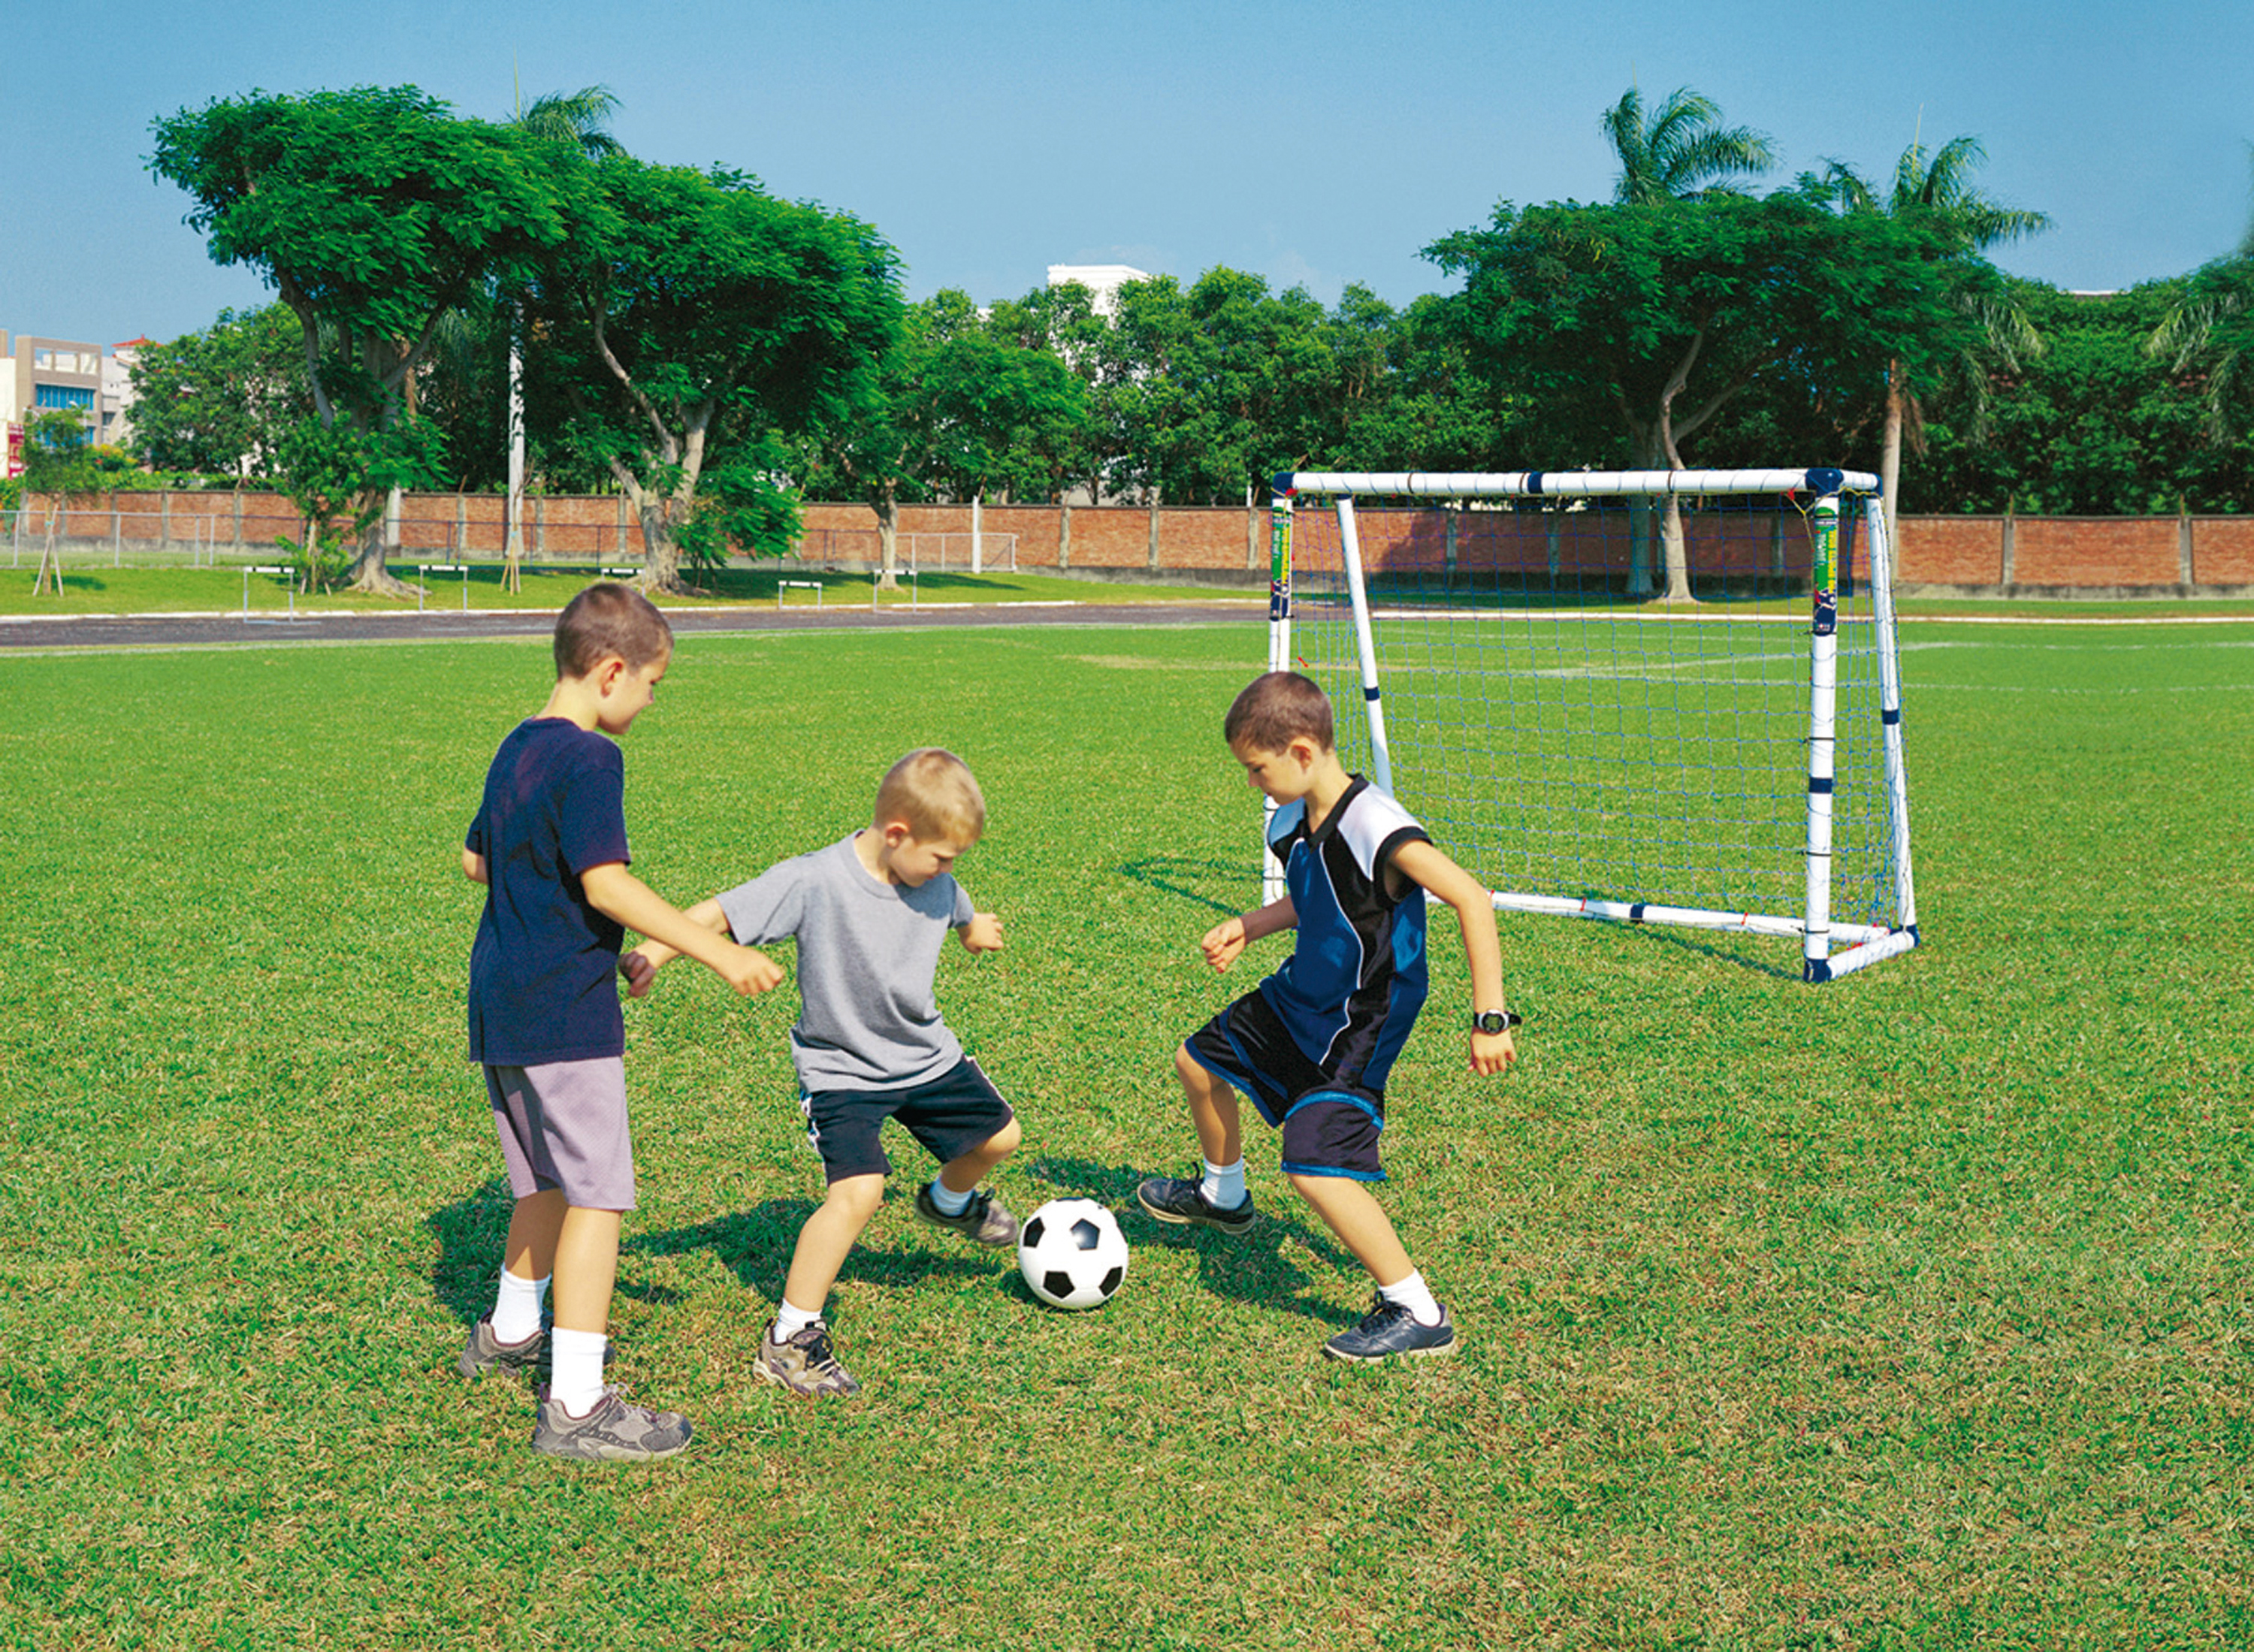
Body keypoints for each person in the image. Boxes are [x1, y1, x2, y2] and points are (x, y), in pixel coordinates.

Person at [457, 582, 782, 1462]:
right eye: (652, 684)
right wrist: (718, 952)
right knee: (597, 1194)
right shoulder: (592, 760)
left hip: (501, 996)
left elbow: (474, 859)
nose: (650, 700)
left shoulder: (516, 743)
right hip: (566, 1008)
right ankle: (576, 1404)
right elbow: (606, 883)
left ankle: (512, 1328)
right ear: (610, 672)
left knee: (544, 1182)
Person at [1136, 670, 1518, 1362]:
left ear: (1304, 752)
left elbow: (1473, 898)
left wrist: (1489, 1016)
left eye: (1258, 768)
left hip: (1359, 1019)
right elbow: (1315, 899)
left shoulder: (1378, 825)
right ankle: (1224, 1196)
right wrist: (1251, 925)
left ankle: (1417, 1308)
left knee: (1316, 1166)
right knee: (1198, 1061)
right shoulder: (1290, 820)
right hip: (1298, 994)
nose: (1253, 783)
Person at [624, 747, 1020, 1399]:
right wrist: (653, 953)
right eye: (943, 857)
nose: (949, 871)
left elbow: (956, 909)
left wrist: (975, 928)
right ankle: (791, 1338)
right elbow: (720, 913)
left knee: (1001, 1138)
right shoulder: (813, 880)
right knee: (858, 1192)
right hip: (843, 1070)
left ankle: (948, 1202)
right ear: (897, 834)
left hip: (924, 1055)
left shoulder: (934, 879)